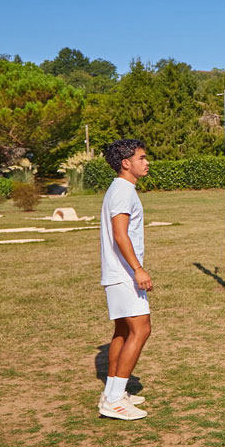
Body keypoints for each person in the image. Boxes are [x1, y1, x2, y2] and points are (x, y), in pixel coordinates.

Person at [97, 139, 154, 420]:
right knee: (141, 330)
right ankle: (115, 400)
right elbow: (120, 234)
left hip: (119, 273)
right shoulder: (122, 191)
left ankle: (112, 392)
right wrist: (137, 269)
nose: (147, 162)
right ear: (126, 163)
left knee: (122, 331)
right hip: (123, 275)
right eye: (142, 158)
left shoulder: (121, 189)